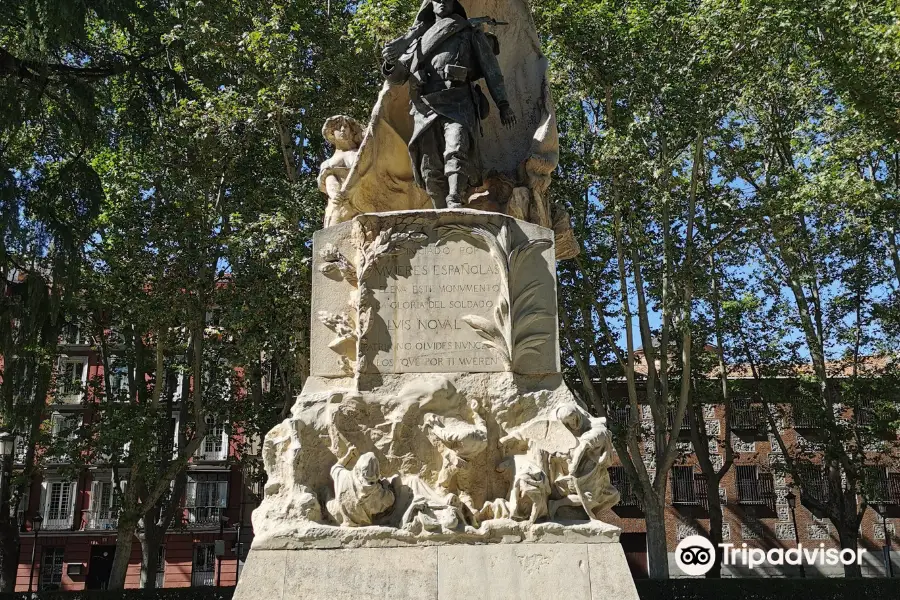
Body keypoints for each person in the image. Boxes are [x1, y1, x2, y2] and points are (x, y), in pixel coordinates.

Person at [381, 0, 516, 209]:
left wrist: (503, 104)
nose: (442, 1)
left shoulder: (467, 31)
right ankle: (438, 209)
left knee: (456, 147)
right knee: (429, 161)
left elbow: (492, 70)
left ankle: (455, 198)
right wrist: (391, 62)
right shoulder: (418, 40)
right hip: (425, 107)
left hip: (458, 100)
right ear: (430, 4)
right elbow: (399, 75)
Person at [548, 405, 620, 520]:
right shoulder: (584, 428)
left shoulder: (597, 432)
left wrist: (574, 466)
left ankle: (593, 513)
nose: (572, 423)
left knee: (614, 496)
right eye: (568, 422)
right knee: (591, 498)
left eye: (573, 419)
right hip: (587, 472)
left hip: (592, 470)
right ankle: (557, 505)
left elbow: (583, 446)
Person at [326, 445, 395, 527]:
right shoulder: (377, 493)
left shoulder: (344, 476)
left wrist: (348, 456)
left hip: (338, 515)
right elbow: (390, 499)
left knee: (326, 495)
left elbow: (335, 468)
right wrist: (385, 484)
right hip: (362, 524)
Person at [318, 115, 363, 226]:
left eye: (346, 127)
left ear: (352, 131)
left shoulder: (362, 153)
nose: (343, 130)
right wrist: (335, 194)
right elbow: (328, 180)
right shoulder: (328, 163)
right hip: (339, 205)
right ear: (332, 133)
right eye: (338, 127)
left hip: (363, 200)